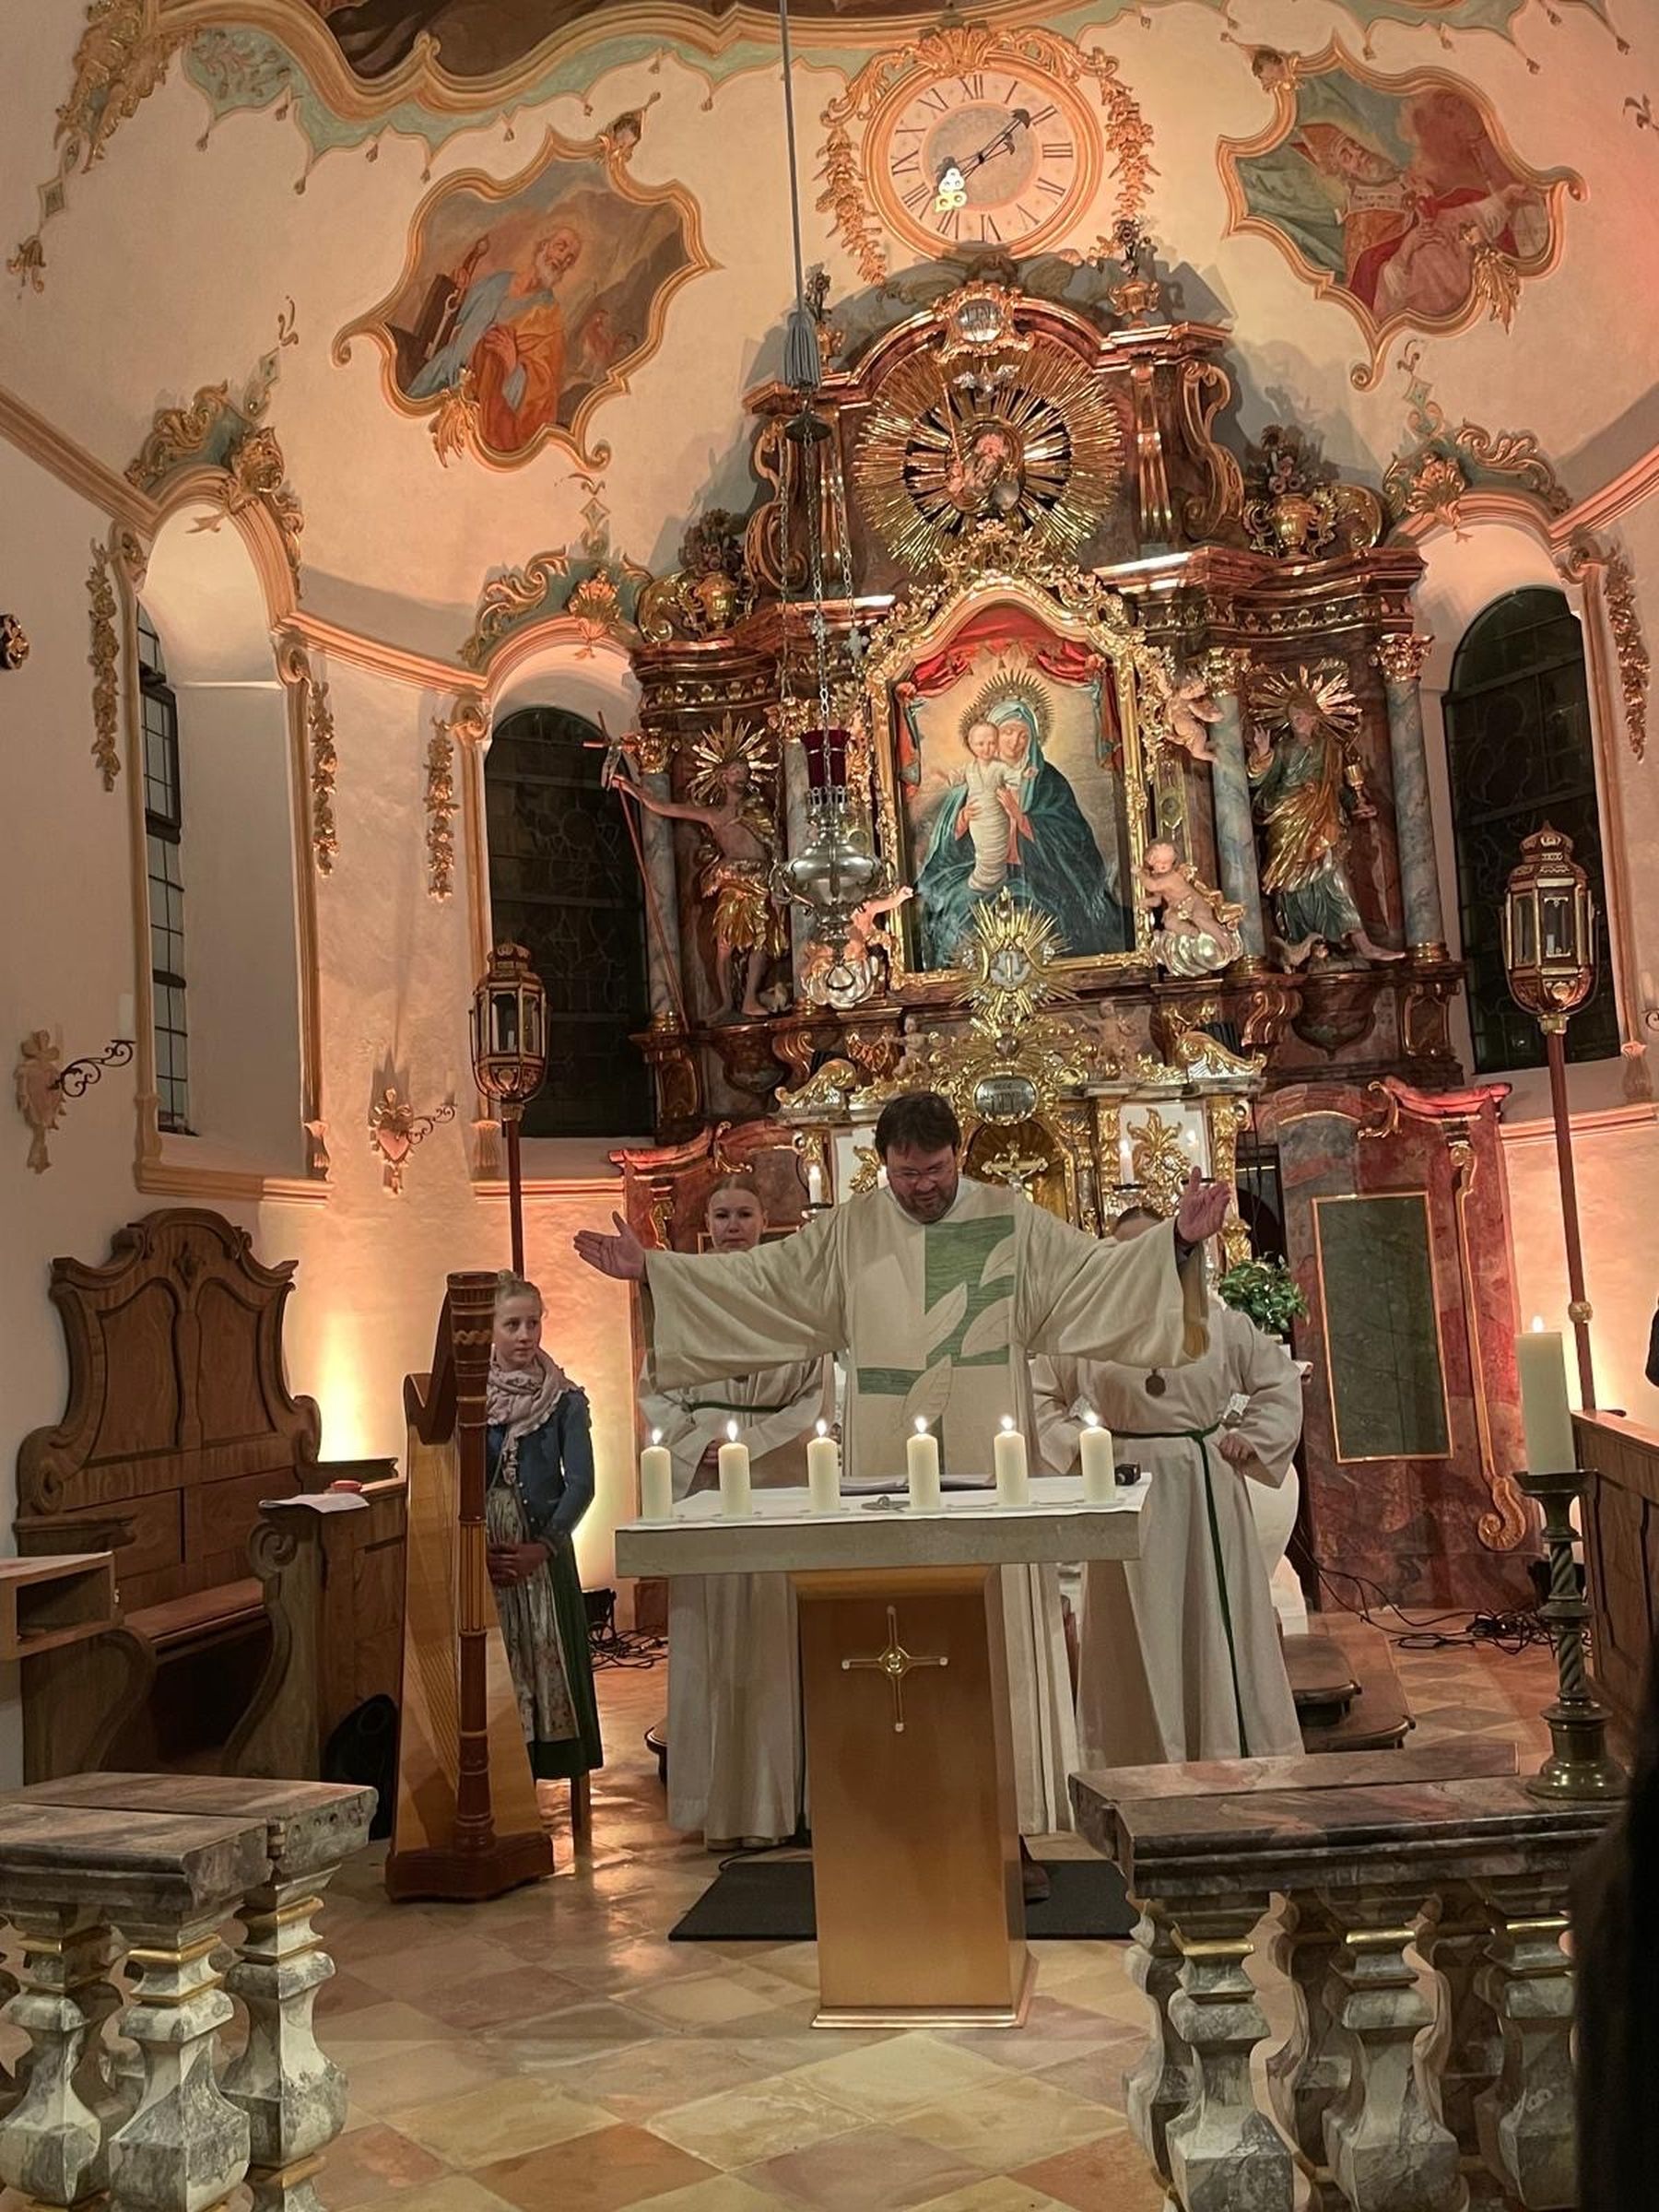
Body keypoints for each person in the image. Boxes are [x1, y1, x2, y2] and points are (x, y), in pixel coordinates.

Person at [576, 1089, 1229, 1839]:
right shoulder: (851, 1232)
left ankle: (1007, 1820)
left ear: (959, 1156)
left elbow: (1095, 1277)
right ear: (882, 1164)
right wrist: (655, 1272)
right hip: (884, 1484)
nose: (922, 1187)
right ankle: (891, 1820)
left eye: (936, 1170)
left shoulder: (1010, 1221)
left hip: (990, 1481)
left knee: (994, 1646)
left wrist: (1176, 1241)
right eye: (906, 1173)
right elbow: (764, 1284)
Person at [1031, 1206, 1302, 1765]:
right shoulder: (1088, 1329)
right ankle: (1136, 1760)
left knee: (1210, 1623)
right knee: (1138, 1630)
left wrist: (1253, 1437)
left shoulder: (1219, 1324)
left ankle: (1224, 1753)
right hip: (1123, 1491)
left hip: (1204, 1488)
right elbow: (1039, 1396)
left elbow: (1278, 1382)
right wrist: (1081, 1448)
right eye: (1132, 1254)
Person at [640, 1175, 830, 1848]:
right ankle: (718, 1805)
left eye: (743, 1213)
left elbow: (814, 1394)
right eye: (720, 1215)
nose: (731, 1226)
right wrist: (703, 1446)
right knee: (711, 1643)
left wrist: (751, 1446)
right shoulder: (683, 1297)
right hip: (706, 1483)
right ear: (707, 1224)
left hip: (775, 1479)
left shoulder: (792, 1295)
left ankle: (778, 1802)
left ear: (764, 1219)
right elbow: (656, 1387)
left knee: (774, 1643)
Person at [487, 1272, 603, 1803]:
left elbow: (581, 1484)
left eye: (532, 1323)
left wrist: (543, 1547)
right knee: (499, 1662)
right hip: (489, 1556)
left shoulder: (564, 1400)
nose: (524, 1335)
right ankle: (502, 1778)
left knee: (547, 1656)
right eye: (512, 1324)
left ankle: (560, 1765)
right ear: (491, 1330)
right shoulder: (470, 1402)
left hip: (542, 1554)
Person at [1248, 686, 1403, 967]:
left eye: (1300, 716)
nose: (1296, 722)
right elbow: (1261, 783)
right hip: (1288, 820)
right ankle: (1302, 946)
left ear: (1315, 717)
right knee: (1290, 886)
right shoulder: (1283, 749)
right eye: (1292, 718)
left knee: (1335, 876)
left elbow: (1338, 789)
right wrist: (1262, 754)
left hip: (1323, 821)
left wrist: (1356, 805)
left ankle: (1362, 943)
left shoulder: (1331, 750)